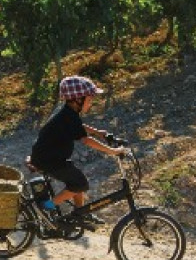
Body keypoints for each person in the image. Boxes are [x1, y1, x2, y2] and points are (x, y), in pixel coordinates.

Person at [29, 75, 126, 225]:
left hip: (52, 157)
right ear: (77, 100)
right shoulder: (68, 115)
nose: (91, 102)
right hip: (48, 160)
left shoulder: (68, 113)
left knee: (77, 180)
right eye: (89, 98)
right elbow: (86, 140)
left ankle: (81, 213)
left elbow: (79, 127)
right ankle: (46, 207)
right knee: (80, 184)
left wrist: (99, 132)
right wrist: (112, 151)